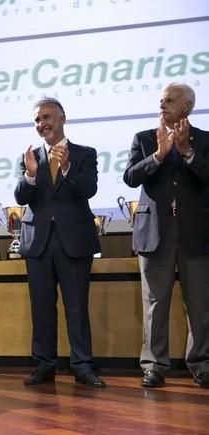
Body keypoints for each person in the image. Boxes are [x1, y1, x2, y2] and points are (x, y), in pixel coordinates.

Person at [14, 98, 105, 388]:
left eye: (47, 117)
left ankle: (82, 365)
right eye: (38, 120)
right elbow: (20, 197)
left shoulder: (84, 154)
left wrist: (67, 169)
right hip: (38, 241)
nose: (42, 124)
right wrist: (29, 175)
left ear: (62, 118)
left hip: (74, 240)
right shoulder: (29, 157)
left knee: (76, 306)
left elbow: (88, 189)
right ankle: (44, 365)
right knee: (41, 307)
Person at [123, 83, 209, 389]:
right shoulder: (145, 139)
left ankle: (201, 363)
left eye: (169, 101)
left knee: (199, 304)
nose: (162, 106)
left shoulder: (205, 140)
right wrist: (158, 156)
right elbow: (130, 177)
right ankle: (154, 365)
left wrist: (186, 151)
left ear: (187, 106)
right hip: (155, 233)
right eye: (160, 101)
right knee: (154, 303)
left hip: (195, 233)